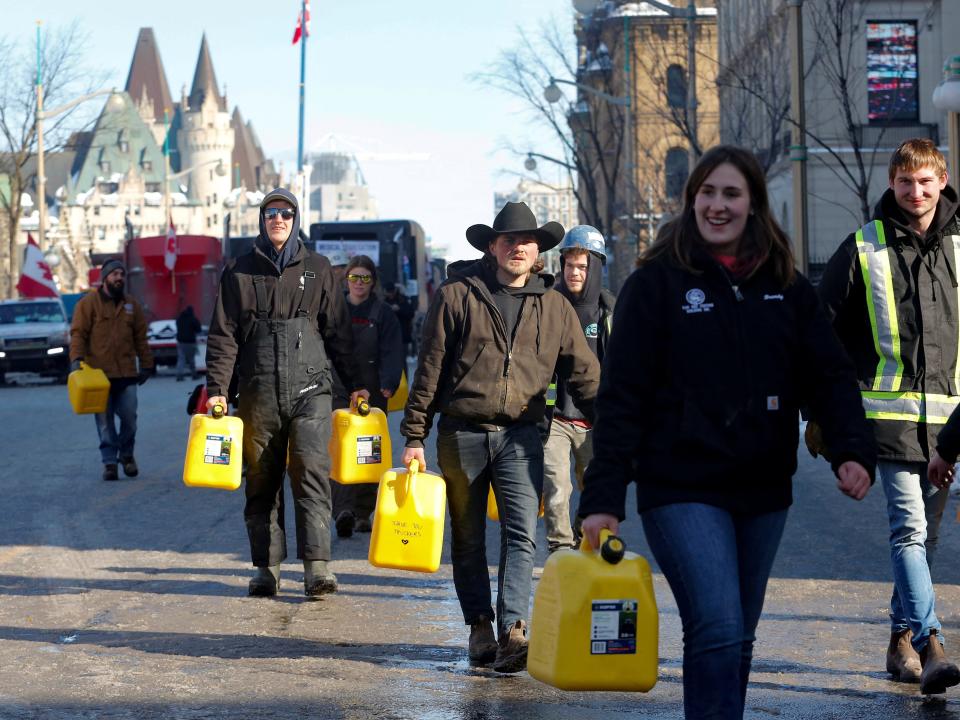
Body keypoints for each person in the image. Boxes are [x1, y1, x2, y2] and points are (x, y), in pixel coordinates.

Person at [578, 145, 875, 719]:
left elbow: (831, 374)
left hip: (762, 489)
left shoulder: (786, 287)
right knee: (716, 623)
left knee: (737, 636)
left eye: (731, 194)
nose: (717, 205)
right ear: (692, 201)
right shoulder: (657, 285)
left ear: (753, 204)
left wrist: (850, 449)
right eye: (707, 193)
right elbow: (622, 397)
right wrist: (604, 496)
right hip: (680, 485)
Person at [400, 201, 600, 673]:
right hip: (462, 432)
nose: (519, 247)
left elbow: (585, 374)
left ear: (538, 252)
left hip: (523, 434)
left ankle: (514, 629)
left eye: (528, 241)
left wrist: (613, 425)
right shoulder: (457, 295)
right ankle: (479, 626)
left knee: (520, 534)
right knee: (467, 537)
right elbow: (429, 369)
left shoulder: (554, 307)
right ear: (492, 246)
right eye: (510, 239)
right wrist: (413, 435)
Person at [816, 138, 960, 695]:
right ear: (892, 183)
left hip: (950, 426)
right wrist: (828, 410)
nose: (915, 192)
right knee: (909, 531)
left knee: (927, 540)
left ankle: (899, 641)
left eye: (925, 182)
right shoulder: (864, 247)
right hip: (889, 423)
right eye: (905, 182)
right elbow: (820, 333)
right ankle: (931, 643)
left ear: (942, 180)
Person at [205, 188, 367, 600]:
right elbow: (223, 336)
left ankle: (318, 569)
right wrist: (217, 390)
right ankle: (266, 570)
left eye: (286, 213)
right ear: (261, 220)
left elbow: (339, 333)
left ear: (296, 220)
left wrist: (356, 384)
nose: (278, 219)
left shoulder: (318, 268)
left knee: (311, 472)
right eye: (271, 213)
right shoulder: (239, 271)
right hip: (258, 391)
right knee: (262, 480)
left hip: (311, 389)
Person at [542, 225, 615, 552]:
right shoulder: (547, 304)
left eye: (582, 266)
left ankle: (580, 544)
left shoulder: (610, 311)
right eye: (569, 265)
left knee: (595, 488)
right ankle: (559, 549)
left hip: (594, 420)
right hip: (554, 417)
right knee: (557, 488)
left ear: (595, 267)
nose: (574, 272)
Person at [331, 255, 405, 537]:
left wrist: (389, 381)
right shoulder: (333, 309)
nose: (359, 283)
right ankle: (344, 510)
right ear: (346, 279)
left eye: (365, 278)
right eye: (354, 277)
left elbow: (392, 349)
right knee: (340, 452)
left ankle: (363, 513)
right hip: (337, 391)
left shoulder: (383, 313)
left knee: (368, 454)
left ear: (372, 282)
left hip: (373, 393)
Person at [69, 259, 155, 481]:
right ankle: (109, 463)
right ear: (105, 277)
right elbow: (78, 334)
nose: (119, 278)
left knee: (130, 419)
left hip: (126, 375)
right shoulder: (87, 304)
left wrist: (147, 364)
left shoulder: (131, 305)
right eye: (115, 274)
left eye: (122, 274)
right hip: (98, 377)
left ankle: (127, 456)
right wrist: (76, 359)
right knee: (105, 423)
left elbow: (141, 338)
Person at [383, 282, 415, 357]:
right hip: (389, 336)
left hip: (402, 335)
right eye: (388, 292)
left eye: (391, 292)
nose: (390, 294)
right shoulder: (384, 302)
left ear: (395, 291)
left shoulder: (403, 300)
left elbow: (411, 313)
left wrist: (399, 309)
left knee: (402, 359)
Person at [175, 305, 202, 382]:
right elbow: (198, 329)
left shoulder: (179, 319)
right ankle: (194, 375)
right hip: (190, 342)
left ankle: (179, 375)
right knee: (191, 359)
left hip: (180, 342)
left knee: (181, 359)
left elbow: (177, 326)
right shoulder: (193, 319)